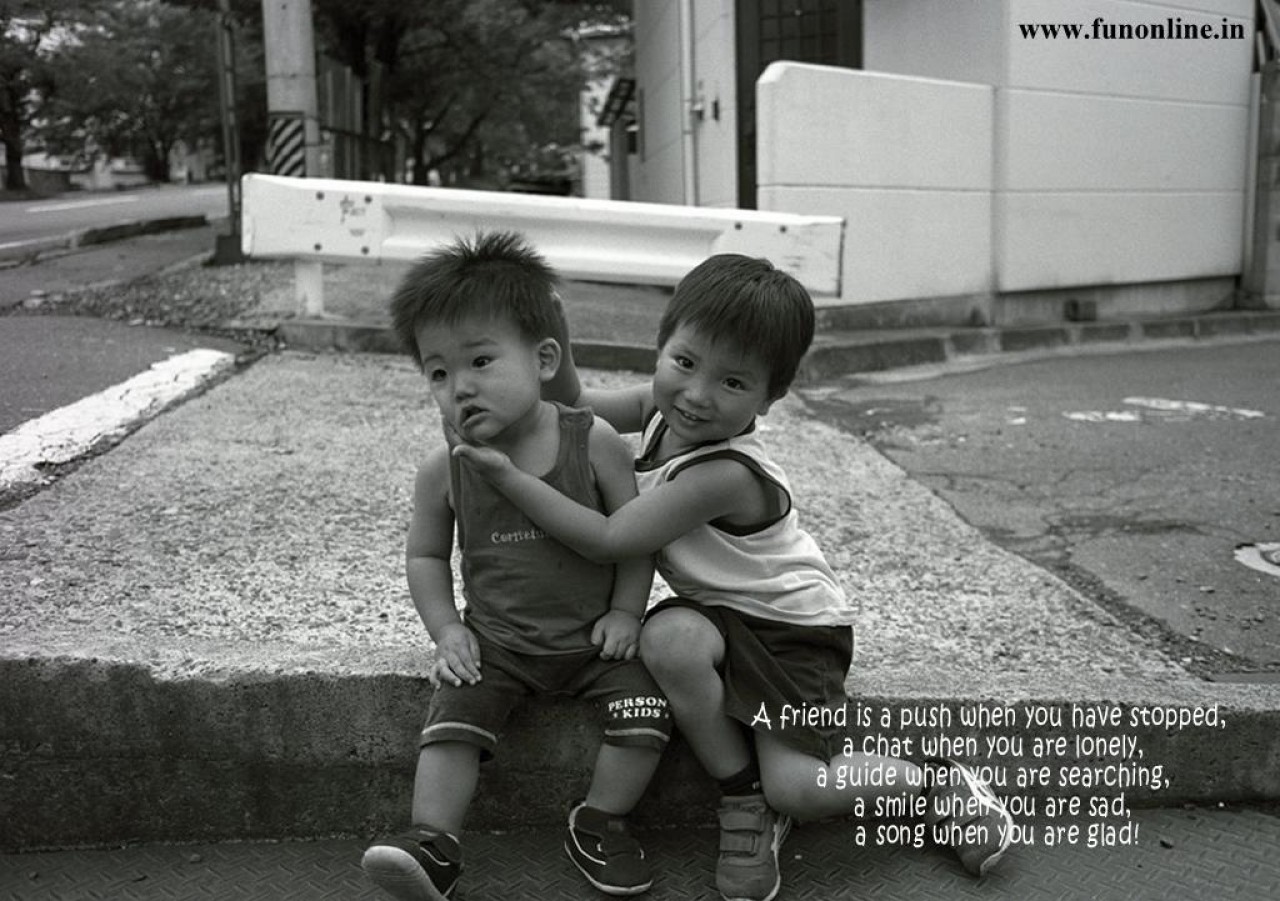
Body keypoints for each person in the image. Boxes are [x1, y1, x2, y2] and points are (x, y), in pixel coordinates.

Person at [453, 253, 1015, 901]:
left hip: (792, 634)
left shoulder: (724, 474)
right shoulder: (663, 411)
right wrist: (547, 326)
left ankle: (935, 782)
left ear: (771, 397)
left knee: (800, 787)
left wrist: (510, 481)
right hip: (721, 618)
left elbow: (613, 538)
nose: (697, 394)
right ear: (661, 346)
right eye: (685, 362)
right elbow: (575, 402)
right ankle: (743, 796)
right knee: (667, 640)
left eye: (732, 382)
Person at [362, 231, 673, 901]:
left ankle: (600, 820)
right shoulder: (443, 471)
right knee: (449, 724)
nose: (459, 387)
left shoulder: (595, 445)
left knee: (646, 718)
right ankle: (433, 843)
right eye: (438, 371)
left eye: (480, 360)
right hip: (498, 645)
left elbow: (635, 538)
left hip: (598, 641)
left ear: (543, 358)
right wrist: (447, 629)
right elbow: (423, 555)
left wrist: (626, 612)